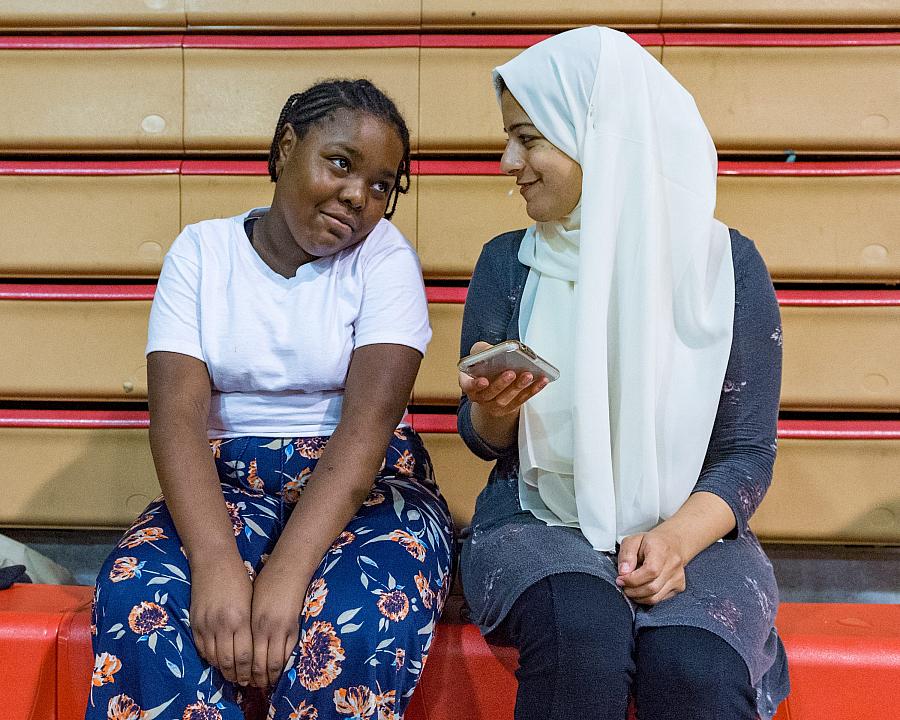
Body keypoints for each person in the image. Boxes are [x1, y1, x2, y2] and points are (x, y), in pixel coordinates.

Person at [87, 79, 454, 720]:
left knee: (359, 614)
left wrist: (285, 576)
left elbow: (367, 430)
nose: (357, 196)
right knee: (142, 596)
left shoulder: (385, 260)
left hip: (362, 488)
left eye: (380, 186)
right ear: (286, 148)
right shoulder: (201, 253)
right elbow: (176, 424)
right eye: (341, 163)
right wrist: (216, 563)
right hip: (223, 480)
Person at [457, 27, 789, 720]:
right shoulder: (506, 264)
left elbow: (745, 456)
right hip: (539, 518)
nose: (506, 161)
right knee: (580, 633)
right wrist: (497, 409)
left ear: (600, 137)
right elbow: (486, 442)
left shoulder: (727, 269)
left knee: (694, 667)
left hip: (690, 525)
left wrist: (673, 541)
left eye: (529, 137)